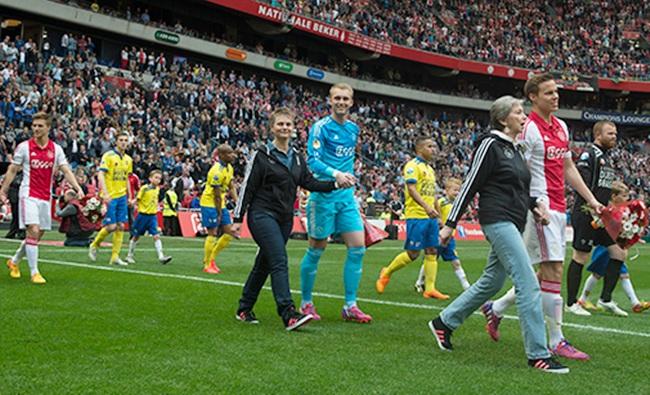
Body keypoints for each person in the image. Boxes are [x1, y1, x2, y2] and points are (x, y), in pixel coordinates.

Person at [428, 96, 568, 374]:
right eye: (518, 111)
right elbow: (470, 184)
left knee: (492, 282)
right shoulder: (490, 145)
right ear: (503, 119)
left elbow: (517, 189)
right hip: (497, 220)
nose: (523, 115)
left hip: (514, 221)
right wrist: (450, 223)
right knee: (527, 284)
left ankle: (444, 323)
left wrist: (534, 207)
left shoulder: (515, 150)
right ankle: (538, 354)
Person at [485, 74, 601, 361]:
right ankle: (556, 340)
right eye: (548, 92)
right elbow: (517, 170)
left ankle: (496, 308)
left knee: (542, 274)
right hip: (539, 208)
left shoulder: (561, 126)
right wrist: (532, 204)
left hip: (559, 208)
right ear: (533, 97)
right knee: (553, 272)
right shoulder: (528, 129)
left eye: (556, 92)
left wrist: (591, 199)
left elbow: (568, 167)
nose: (555, 96)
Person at [232, 108, 350, 330]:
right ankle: (288, 313)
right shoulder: (260, 154)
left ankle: (244, 308)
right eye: (280, 124)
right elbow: (247, 186)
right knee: (279, 259)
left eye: (288, 124)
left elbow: (309, 183)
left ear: (293, 128)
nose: (284, 128)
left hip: (285, 218)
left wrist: (335, 182)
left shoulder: (296, 157)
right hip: (261, 214)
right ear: (272, 128)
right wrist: (238, 218)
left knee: (264, 264)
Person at [299, 83, 372, 323]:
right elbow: (314, 161)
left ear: (351, 102)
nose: (341, 102)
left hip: (346, 198)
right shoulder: (320, 128)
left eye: (346, 99)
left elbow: (348, 161)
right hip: (323, 196)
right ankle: (306, 303)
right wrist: (336, 175)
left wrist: (349, 183)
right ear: (330, 101)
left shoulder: (353, 129)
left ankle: (350, 305)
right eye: (337, 98)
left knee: (358, 248)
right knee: (317, 249)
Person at [1, 112, 84, 284]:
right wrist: (3, 190)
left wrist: (77, 187)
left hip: (46, 196)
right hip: (28, 194)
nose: (36, 128)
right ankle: (34, 272)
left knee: (37, 235)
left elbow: (66, 170)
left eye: (40, 126)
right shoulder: (24, 147)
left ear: (48, 128)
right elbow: (12, 170)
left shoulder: (56, 149)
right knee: (33, 229)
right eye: (34, 125)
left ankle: (14, 261)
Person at [564, 121, 625, 316]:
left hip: (602, 215)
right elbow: (581, 182)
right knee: (580, 256)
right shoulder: (589, 154)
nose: (614, 136)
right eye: (610, 133)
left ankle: (605, 299)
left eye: (615, 133)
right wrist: (591, 207)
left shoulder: (607, 157)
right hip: (586, 213)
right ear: (598, 135)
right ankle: (571, 303)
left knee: (618, 253)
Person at [375, 135, 447, 299]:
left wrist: (438, 215)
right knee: (413, 253)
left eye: (434, 146)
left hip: (430, 217)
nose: (433, 150)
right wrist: (427, 207)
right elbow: (412, 190)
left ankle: (430, 288)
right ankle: (387, 272)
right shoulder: (412, 166)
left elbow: (433, 194)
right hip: (417, 215)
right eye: (430, 146)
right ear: (419, 149)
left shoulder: (430, 169)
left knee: (432, 251)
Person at [577, 181, 650, 315]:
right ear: (614, 196)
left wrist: (633, 236)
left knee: (618, 274)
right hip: (606, 247)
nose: (626, 199)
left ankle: (634, 303)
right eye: (623, 196)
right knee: (598, 274)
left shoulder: (624, 212)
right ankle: (584, 299)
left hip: (616, 247)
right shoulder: (609, 210)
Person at [414, 178, 471, 292]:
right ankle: (419, 282)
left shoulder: (457, 204)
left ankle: (466, 286)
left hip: (450, 237)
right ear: (447, 190)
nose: (457, 193)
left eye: (458, 190)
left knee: (455, 261)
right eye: (455, 190)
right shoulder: (441, 202)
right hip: (438, 236)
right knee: (430, 259)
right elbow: (434, 214)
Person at [88, 131, 134, 266]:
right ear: (116, 142)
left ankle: (115, 256)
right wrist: (105, 193)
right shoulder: (108, 156)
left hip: (121, 196)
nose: (124, 142)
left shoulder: (128, 160)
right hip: (110, 196)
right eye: (121, 140)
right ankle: (95, 244)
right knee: (111, 226)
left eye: (126, 140)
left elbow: (126, 179)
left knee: (120, 226)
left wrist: (130, 196)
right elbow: (101, 174)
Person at [200, 144, 238, 274]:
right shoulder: (216, 171)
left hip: (220, 202)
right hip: (210, 203)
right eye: (229, 153)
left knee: (229, 233)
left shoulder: (229, 168)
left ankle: (212, 259)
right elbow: (216, 195)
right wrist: (219, 212)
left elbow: (231, 186)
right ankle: (207, 263)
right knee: (213, 232)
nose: (232, 155)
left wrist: (238, 202)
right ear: (221, 155)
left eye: (232, 153)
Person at [126, 169, 172, 265]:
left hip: (152, 216)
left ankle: (161, 256)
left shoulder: (157, 189)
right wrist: (132, 203)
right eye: (156, 177)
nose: (158, 180)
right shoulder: (145, 188)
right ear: (150, 178)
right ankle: (129, 255)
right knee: (136, 236)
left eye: (159, 178)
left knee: (156, 236)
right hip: (142, 216)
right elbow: (138, 198)